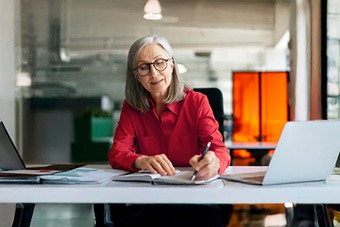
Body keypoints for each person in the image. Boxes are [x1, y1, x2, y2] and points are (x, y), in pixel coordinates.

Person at [101, 35, 231, 227]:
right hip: (149, 199)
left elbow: (220, 151)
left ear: (171, 65)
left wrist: (213, 162)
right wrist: (141, 160)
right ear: (136, 75)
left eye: (159, 63)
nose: (154, 73)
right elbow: (117, 152)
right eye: (144, 67)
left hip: (193, 199)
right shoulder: (132, 107)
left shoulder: (197, 102)